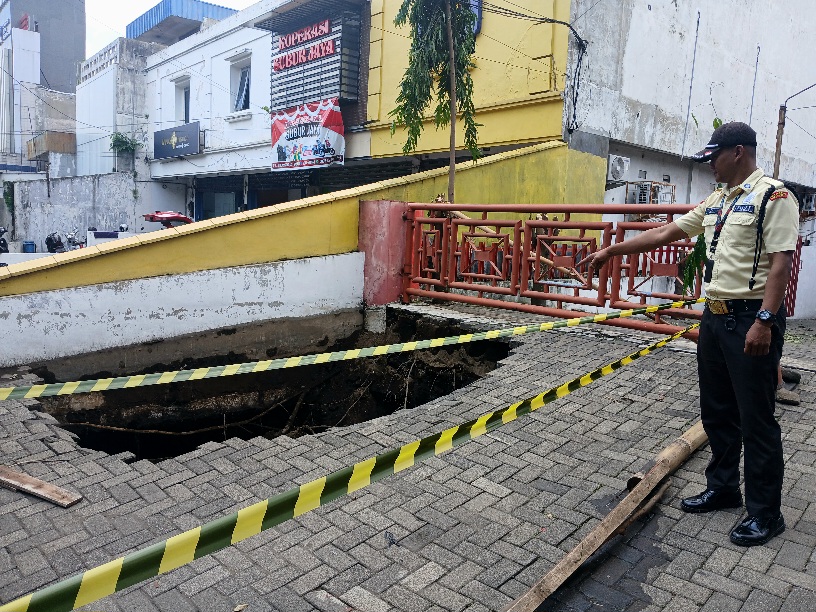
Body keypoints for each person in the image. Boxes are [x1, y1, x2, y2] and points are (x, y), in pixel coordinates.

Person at [586, 122, 800, 546]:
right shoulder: (718, 200)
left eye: (714, 157)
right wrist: (612, 248)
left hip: (750, 319)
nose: (710, 167)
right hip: (715, 319)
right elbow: (667, 232)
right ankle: (723, 488)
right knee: (717, 410)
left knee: (757, 419)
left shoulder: (773, 196)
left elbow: (781, 263)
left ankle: (765, 513)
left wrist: (765, 320)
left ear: (738, 152)